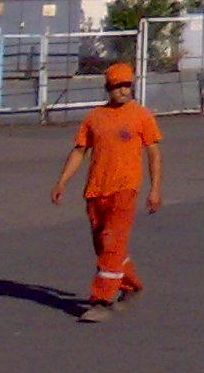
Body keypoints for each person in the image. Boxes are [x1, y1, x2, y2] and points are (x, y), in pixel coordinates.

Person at [49, 62, 163, 323]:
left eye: (127, 85)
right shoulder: (94, 118)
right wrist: (62, 182)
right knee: (104, 246)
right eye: (117, 86)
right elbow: (80, 151)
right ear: (107, 88)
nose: (123, 90)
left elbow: (154, 154)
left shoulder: (142, 116)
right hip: (96, 191)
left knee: (112, 241)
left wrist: (155, 189)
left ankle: (101, 300)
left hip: (125, 190)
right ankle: (131, 285)